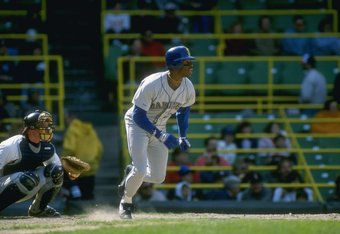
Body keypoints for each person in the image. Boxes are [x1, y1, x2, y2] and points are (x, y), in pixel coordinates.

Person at [117, 45, 196, 219]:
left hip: (159, 127)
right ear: (174, 65)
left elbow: (183, 112)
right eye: (186, 63)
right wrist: (161, 135)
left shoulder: (188, 87)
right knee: (139, 170)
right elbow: (138, 116)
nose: (191, 66)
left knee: (159, 177)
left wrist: (183, 136)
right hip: (137, 125)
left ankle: (131, 173)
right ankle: (126, 202)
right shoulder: (152, 83)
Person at [0, 110, 72, 217]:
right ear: (31, 129)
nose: (47, 129)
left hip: (27, 182)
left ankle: (39, 209)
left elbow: (58, 170)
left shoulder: (47, 147)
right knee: (28, 178)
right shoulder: (13, 145)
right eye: (43, 126)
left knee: (56, 171)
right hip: (4, 185)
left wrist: (70, 173)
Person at [61, 115, 103, 201]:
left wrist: (63, 161)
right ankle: (91, 210)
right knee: (88, 195)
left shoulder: (72, 130)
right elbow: (100, 148)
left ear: (69, 120)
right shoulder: (91, 130)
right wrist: (95, 162)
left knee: (73, 189)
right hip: (90, 166)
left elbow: (69, 148)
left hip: (76, 167)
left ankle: (74, 196)